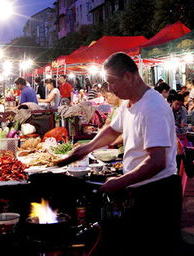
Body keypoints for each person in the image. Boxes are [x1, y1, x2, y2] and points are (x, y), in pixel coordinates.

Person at [58, 52, 181, 256]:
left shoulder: (153, 107)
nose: (110, 89)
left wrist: (121, 181)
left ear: (129, 76)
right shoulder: (128, 103)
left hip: (157, 193)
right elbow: (113, 130)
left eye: (112, 82)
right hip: (140, 189)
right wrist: (86, 148)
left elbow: (157, 161)